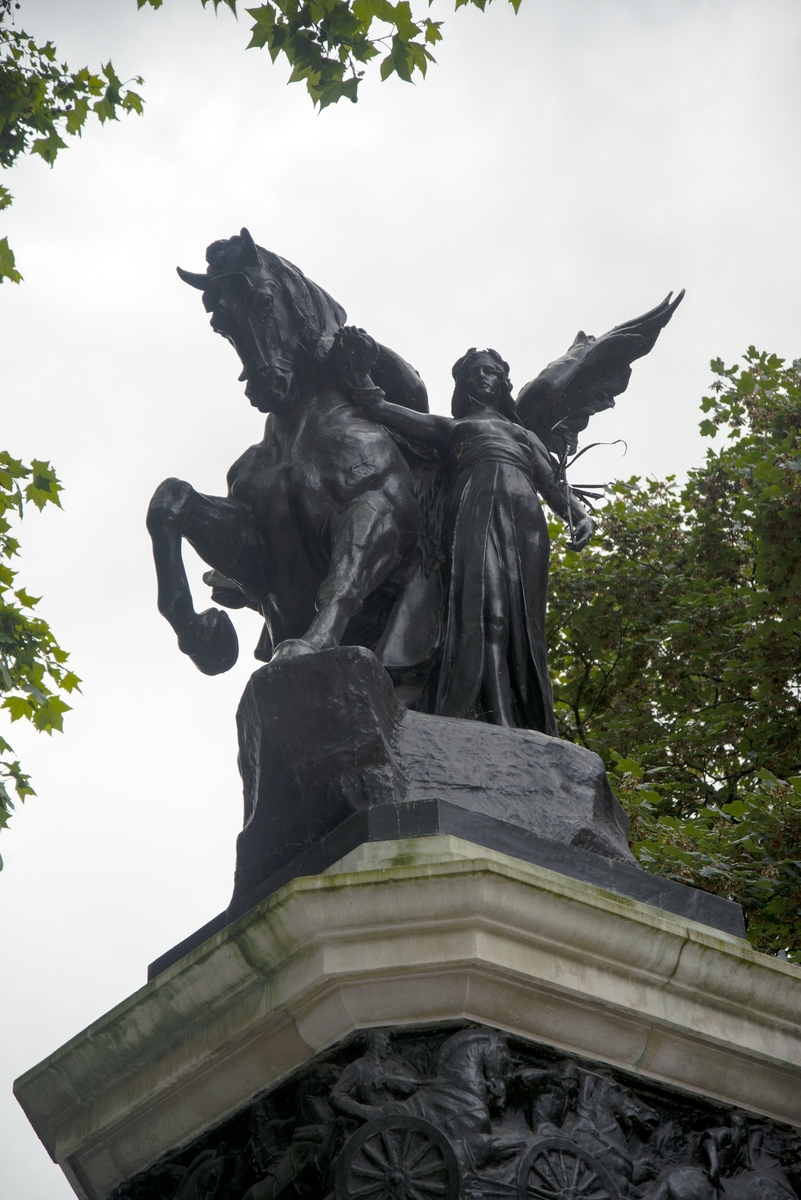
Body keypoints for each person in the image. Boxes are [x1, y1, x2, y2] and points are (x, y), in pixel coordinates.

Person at [358, 344, 593, 732]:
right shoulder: (451, 429)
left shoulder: (523, 435)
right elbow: (382, 410)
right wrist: (358, 372)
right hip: (473, 513)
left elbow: (552, 486)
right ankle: (485, 712)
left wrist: (579, 515)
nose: (482, 378)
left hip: (526, 524)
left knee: (524, 620)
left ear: (502, 382)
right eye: (474, 373)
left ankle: (518, 715)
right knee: (488, 612)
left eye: (489, 372)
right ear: (463, 385)